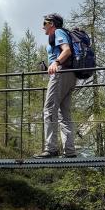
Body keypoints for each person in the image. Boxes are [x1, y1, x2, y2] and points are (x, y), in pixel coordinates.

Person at [34, 13, 77, 158]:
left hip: (61, 74)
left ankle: (51, 148)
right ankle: (69, 151)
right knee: (64, 113)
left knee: (49, 109)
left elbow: (67, 50)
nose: (43, 27)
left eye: (45, 24)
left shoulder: (58, 32)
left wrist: (56, 63)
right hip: (70, 75)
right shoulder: (60, 34)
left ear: (51, 23)